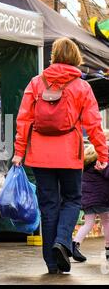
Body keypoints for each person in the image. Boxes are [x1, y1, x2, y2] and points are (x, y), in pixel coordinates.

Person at [12, 37, 108, 274]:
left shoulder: (36, 83)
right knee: (73, 200)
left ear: (54, 56)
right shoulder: (81, 87)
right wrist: (103, 154)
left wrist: (18, 152)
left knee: (48, 206)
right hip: (69, 155)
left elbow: (24, 120)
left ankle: (52, 263)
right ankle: (63, 241)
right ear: (76, 57)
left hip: (40, 156)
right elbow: (94, 123)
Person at [72, 134, 109, 262]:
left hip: (87, 197)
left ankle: (75, 244)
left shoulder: (87, 159)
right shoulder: (102, 158)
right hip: (101, 197)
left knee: (88, 223)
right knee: (107, 222)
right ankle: (108, 248)